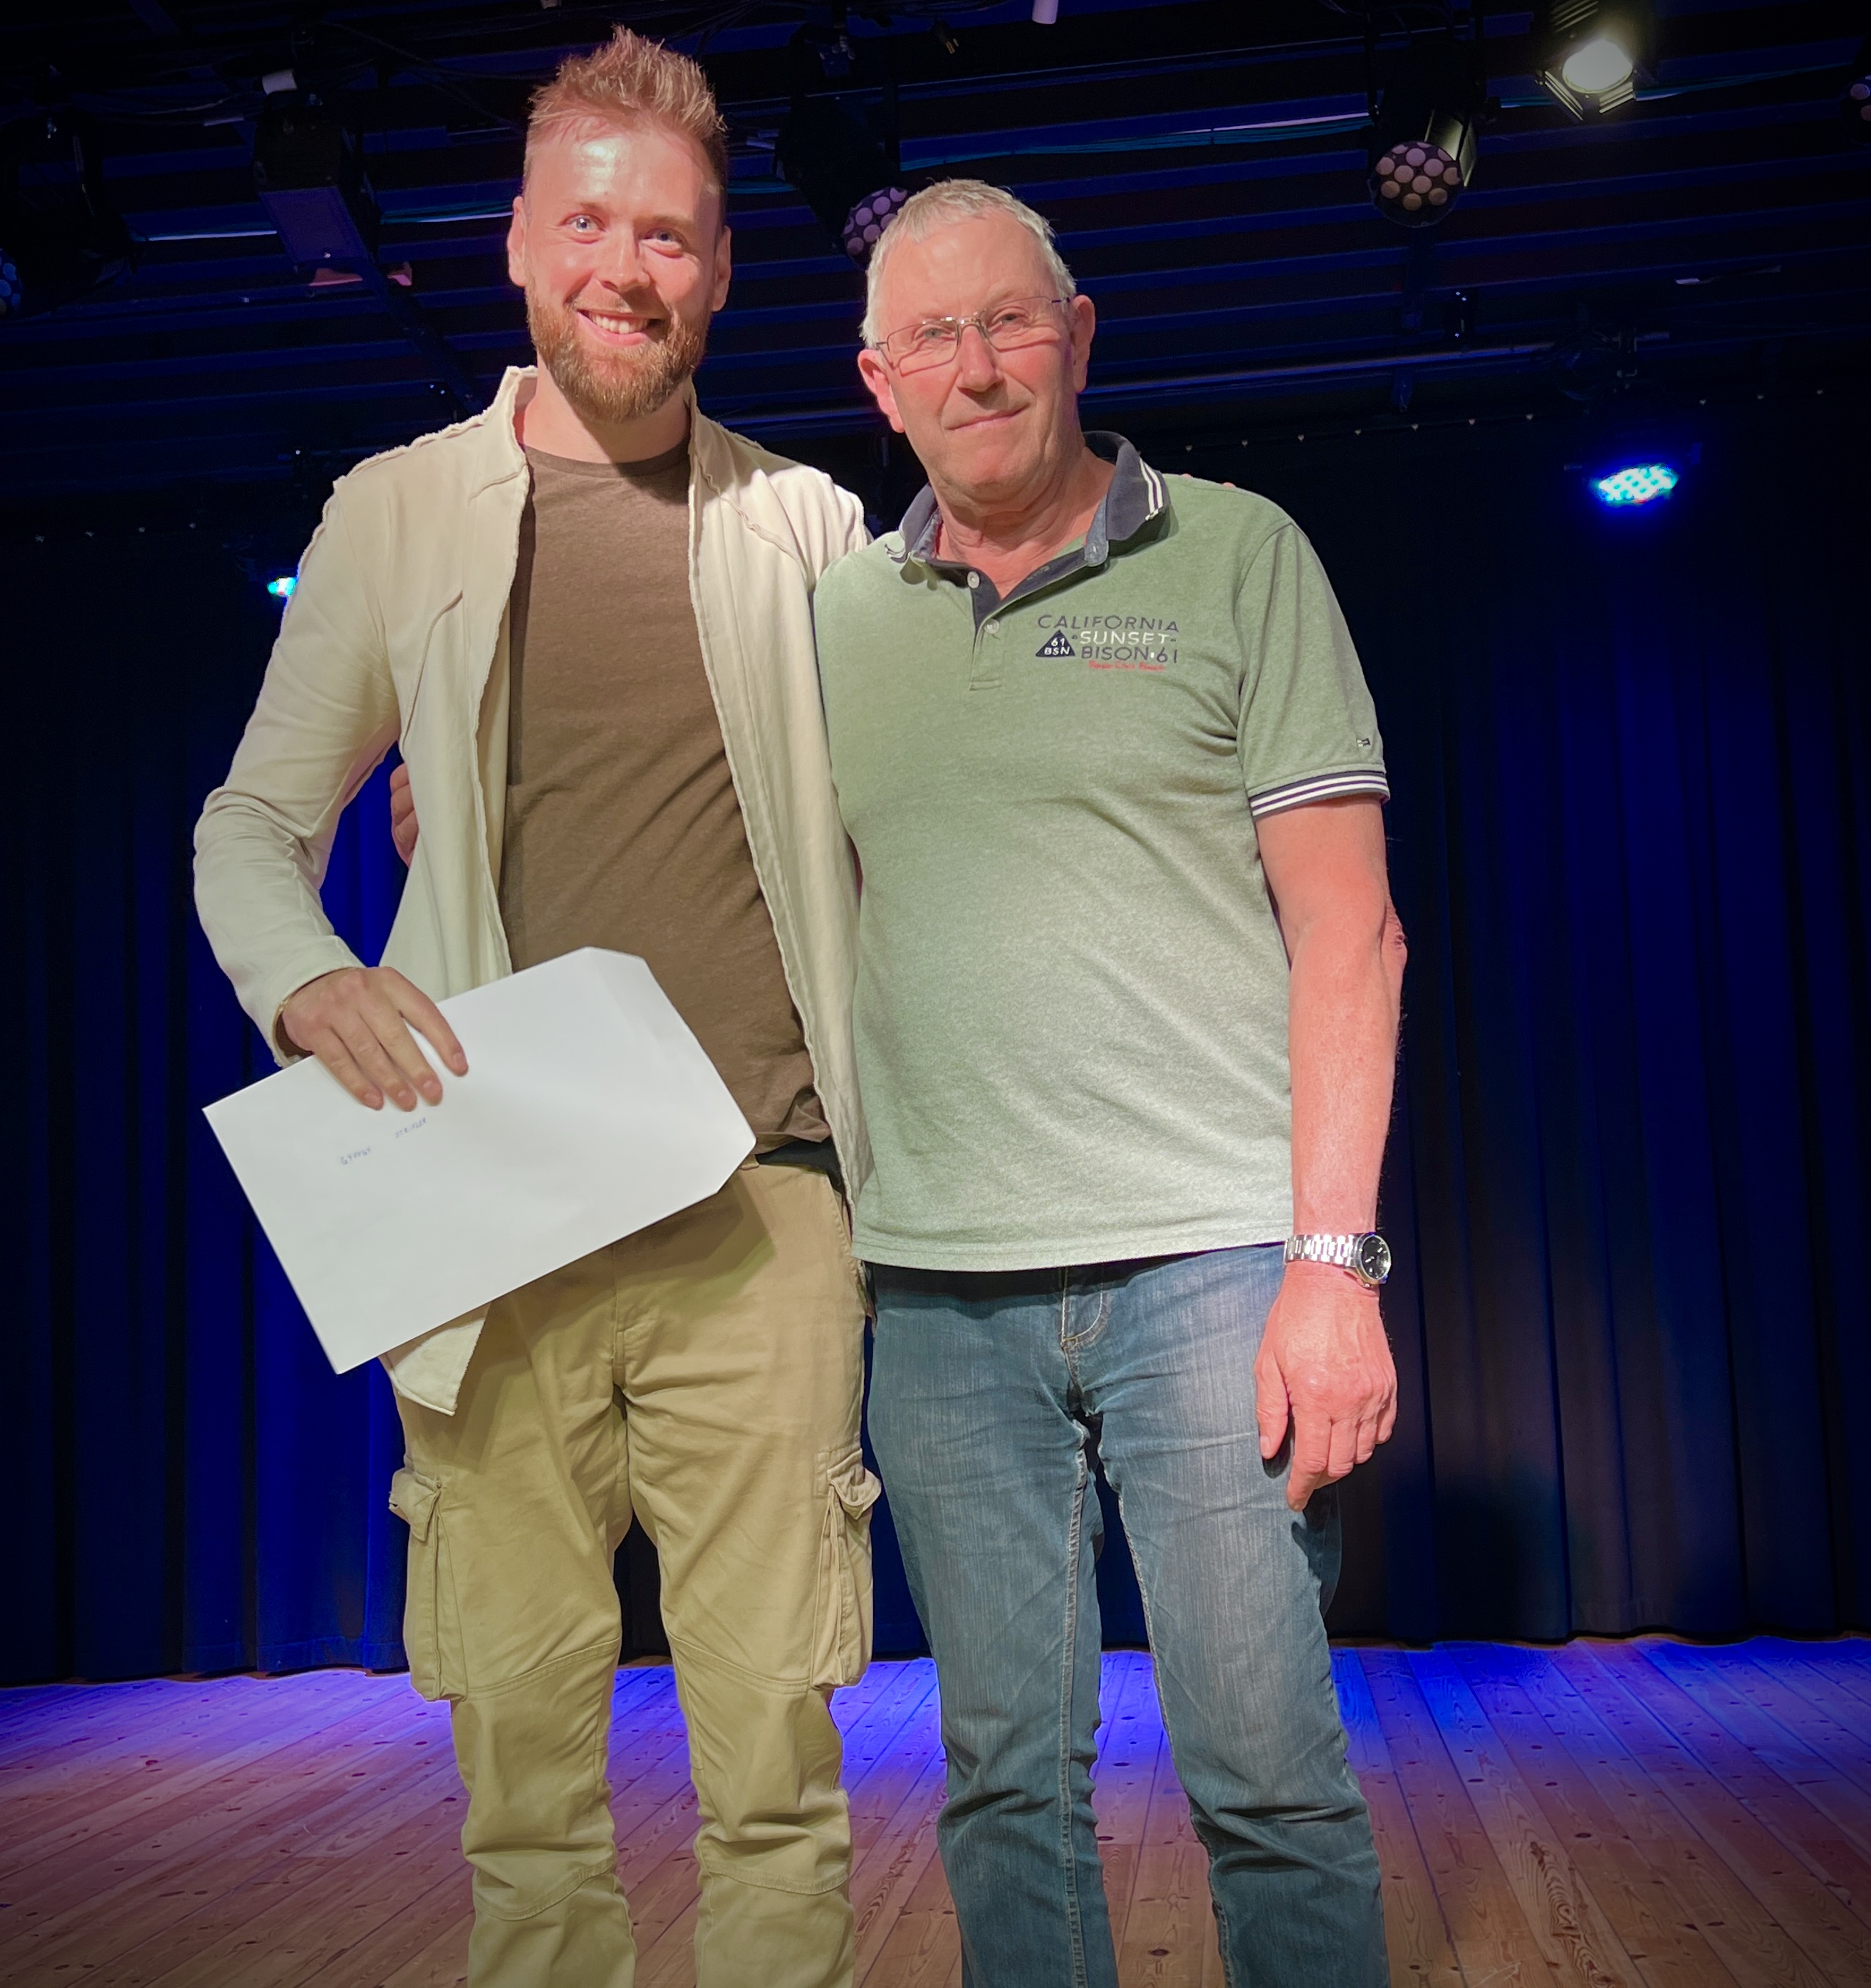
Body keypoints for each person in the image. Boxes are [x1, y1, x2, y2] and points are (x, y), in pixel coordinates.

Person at [193, 31, 878, 1988]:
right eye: (586, 223)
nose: (624, 267)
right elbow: (251, 825)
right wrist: (307, 977)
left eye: (666, 234)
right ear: (514, 242)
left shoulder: (813, 530)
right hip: (491, 1231)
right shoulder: (399, 510)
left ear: (720, 267)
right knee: (526, 1810)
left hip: (764, 1219)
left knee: (777, 1783)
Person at [813, 180, 1404, 1987]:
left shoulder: (1237, 553)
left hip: (1213, 1271)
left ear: (1077, 335)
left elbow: (1352, 934)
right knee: (1004, 1790)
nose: (978, 366)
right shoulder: (828, 619)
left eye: (1010, 320)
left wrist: (1331, 1266)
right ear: (878, 381)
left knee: (1267, 1782)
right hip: (936, 1294)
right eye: (933, 336)